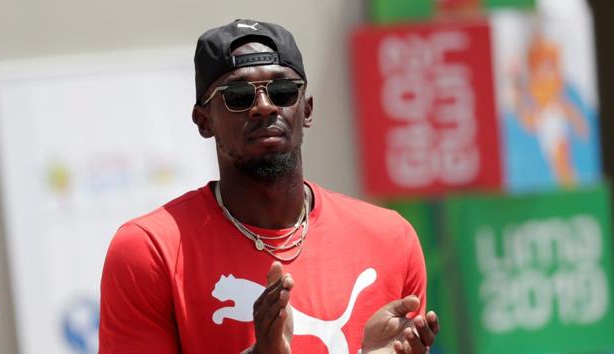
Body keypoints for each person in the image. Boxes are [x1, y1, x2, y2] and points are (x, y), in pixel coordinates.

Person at [99, 19, 439, 354]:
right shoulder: (150, 250)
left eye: (282, 91)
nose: (264, 106)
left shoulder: (390, 239)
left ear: (306, 109)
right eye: (238, 96)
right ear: (204, 121)